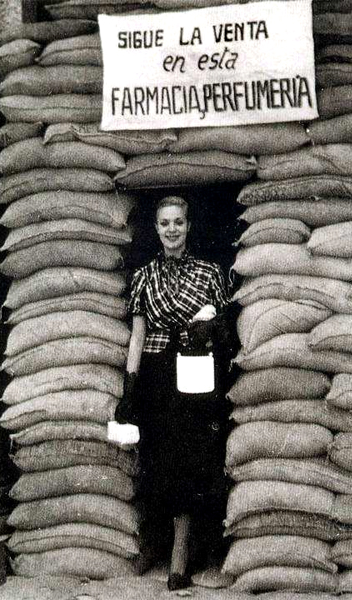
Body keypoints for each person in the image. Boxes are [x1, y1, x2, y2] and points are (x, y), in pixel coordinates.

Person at [116, 195, 231, 590]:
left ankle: (180, 558)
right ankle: (165, 545)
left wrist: (210, 329)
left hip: (196, 373)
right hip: (156, 375)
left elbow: (227, 329)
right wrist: (129, 390)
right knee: (161, 461)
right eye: (164, 223)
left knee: (191, 460)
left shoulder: (210, 274)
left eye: (178, 222)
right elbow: (138, 334)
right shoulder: (144, 277)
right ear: (155, 228)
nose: (171, 230)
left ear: (189, 226)